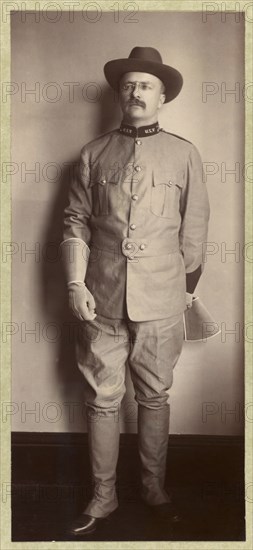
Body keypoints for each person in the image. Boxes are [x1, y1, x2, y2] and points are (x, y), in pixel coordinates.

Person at [61, 46, 210, 536]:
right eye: (128, 85)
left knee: (154, 395)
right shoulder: (93, 153)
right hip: (100, 299)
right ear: (118, 94)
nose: (135, 92)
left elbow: (196, 228)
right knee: (102, 398)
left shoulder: (184, 152)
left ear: (162, 95)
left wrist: (185, 290)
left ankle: (154, 488)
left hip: (163, 297)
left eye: (146, 85)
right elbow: (75, 223)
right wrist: (75, 283)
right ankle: (102, 497)